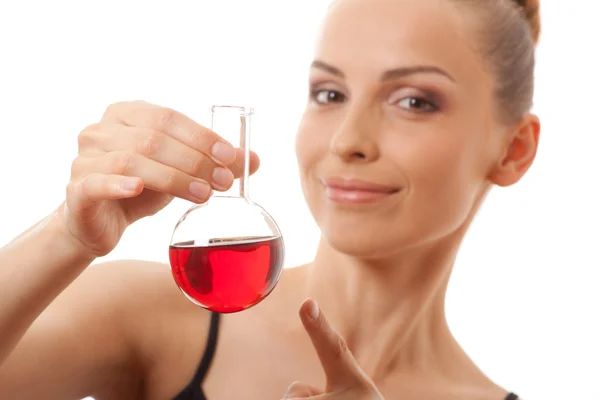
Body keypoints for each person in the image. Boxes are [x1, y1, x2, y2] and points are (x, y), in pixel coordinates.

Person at [0, 0, 541, 398]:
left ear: (513, 150)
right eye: (329, 94)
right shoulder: (153, 318)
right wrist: (66, 236)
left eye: (415, 101)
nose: (347, 139)